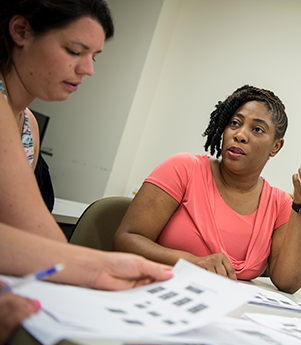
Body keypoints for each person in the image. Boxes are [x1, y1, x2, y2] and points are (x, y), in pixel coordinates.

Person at [0, 0, 174, 339]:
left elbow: (19, 234)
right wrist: (98, 268)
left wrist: (99, 269)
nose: (88, 69)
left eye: (93, 56)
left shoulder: (27, 125)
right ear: (21, 32)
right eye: (75, 50)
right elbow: (36, 233)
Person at [114, 85, 301, 294]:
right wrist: (193, 262)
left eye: (257, 129)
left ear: (276, 146)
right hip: (155, 294)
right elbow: (126, 239)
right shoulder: (184, 169)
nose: (240, 135)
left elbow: (289, 283)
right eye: (234, 123)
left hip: (226, 314)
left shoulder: (279, 204)